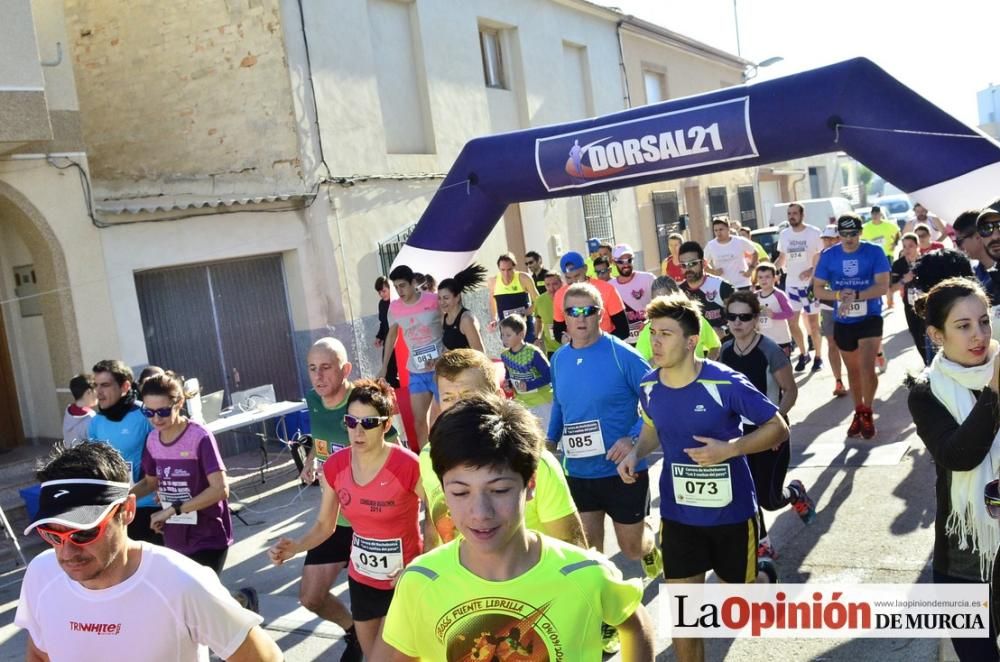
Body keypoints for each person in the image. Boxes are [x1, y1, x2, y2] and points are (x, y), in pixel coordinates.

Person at [375, 396, 654, 661]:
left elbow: (636, 625)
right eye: (460, 493)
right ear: (443, 491)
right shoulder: (420, 580)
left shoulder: (586, 574)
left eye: (499, 490)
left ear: (530, 485)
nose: (481, 513)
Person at [618, 292, 789, 662]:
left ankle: (761, 576)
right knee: (685, 622)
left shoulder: (725, 382)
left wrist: (730, 449)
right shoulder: (649, 386)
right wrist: (635, 452)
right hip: (679, 518)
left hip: (731, 516)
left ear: (692, 340)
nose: (655, 341)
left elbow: (777, 428)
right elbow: (651, 430)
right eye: (652, 332)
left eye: (665, 333)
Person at [15, 442, 281, 661]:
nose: (67, 551)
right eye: (52, 534)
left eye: (84, 531)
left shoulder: (182, 582)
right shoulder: (42, 573)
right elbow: (40, 653)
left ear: (127, 510)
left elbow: (266, 658)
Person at [269, 380, 423, 658]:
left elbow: (442, 515)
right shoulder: (335, 467)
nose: (358, 431)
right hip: (362, 580)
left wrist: (423, 565)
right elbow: (325, 525)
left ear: (386, 426)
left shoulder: (408, 465)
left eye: (369, 423)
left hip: (403, 582)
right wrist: (295, 547)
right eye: (351, 422)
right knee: (370, 653)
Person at [907, 277, 1000, 661]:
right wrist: (995, 391)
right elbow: (959, 455)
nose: (978, 335)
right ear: (936, 334)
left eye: (984, 321)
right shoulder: (926, 391)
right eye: (963, 326)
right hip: (964, 551)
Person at [546, 283, 662, 583]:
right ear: (564, 317)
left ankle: (649, 541)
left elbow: (658, 401)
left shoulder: (623, 355)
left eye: (589, 310)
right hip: (580, 471)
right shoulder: (559, 358)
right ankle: (602, 615)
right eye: (573, 311)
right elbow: (560, 403)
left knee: (631, 548)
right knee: (589, 554)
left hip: (623, 469)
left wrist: (633, 437)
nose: (580, 317)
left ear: (601, 315)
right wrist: (549, 441)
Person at [429, 348, 585, 550]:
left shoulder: (536, 461)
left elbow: (572, 549)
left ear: (498, 396)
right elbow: (433, 520)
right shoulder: (429, 455)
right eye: (448, 397)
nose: (458, 406)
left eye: (468, 395)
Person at [132, 372, 259, 613]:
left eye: (162, 412)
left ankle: (241, 606)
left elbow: (220, 490)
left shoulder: (198, 436)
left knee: (199, 600)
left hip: (208, 532)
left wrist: (173, 509)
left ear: (178, 403)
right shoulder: (152, 440)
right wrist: (122, 500)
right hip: (175, 531)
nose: (156, 419)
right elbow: (150, 482)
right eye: (148, 412)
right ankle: (240, 602)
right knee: (194, 600)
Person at [719, 291, 816, 581]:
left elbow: (790, 390)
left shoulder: (770, 349)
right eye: (732, 316)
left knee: (769, 498)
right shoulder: (725, 351)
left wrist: (775, 427)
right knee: (746, 495)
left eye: (744, 317)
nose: (737, 322)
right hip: (739, 436)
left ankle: (794, 492)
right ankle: (762, 545)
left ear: (756, 318)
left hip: (771, 433)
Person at [293, 338, 366, 661]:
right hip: (333, 519)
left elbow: (397, 454)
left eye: (326, 368)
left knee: (377, 603)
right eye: (312, 369)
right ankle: (354, 632)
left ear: (345, 369)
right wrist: (311, 459)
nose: (318, 376)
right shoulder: (313, 399)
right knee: (310, 597)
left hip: (370, 521)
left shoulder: (363, 403)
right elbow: (321, 437)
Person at [813, 214, 890, 439]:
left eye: (853, 233)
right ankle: (858, 411)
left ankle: (868, 409)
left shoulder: (874, 252)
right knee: (853, 371)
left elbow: (883, 286)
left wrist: (855, 295)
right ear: (838, 234)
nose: (849, 238)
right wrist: (837, 295)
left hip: (870, 317)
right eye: (844, 234)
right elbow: (817, 289)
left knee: (867, 367)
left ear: (860, 232)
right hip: (844, 320)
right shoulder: (829, 255)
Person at [87, 360, 160, 544]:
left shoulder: (145, 414)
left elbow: (163, 457)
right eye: (96, 386)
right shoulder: (96, 422)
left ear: (125, 386)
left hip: (150, 507)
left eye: (105, 385)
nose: (99, 392)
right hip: (116, 509)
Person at [379, 264, 443, 448]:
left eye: (403, 286)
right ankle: (426, 463)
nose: (399, 291)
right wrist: (384, 367)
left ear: (414, 282)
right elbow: (392, 336)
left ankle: (445, 459)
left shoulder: (433, 300)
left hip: (440, 370)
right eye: (396, 287)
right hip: (417, 371)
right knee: (419, 422)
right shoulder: (394, 308)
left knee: (440, 421)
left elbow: (449, 323)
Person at [776, 202, 825, 372]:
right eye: (789, 213)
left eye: (795, 213)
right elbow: (782, 258)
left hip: (810, 286)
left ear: (802, 215)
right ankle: (804, 354)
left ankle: (818, 356)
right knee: (792, 322)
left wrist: (811, 270)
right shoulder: (784, 234)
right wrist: (770, 269)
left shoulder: (814, 233)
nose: (791, 216)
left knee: (813, 323)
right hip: (792, 286)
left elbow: (822, 257)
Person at [635, 276, 722, 362]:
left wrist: (706, 369)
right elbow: (640, 366)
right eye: (657, 301)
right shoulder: (648, 330)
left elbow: (715, 346)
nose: (661, 306)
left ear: (677, 296)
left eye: (666, 300)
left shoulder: (696, 320)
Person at [551, 251, 630, 342]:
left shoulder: (607, 289)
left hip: (605, 349)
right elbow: (558, 331)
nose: (574, 281)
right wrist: (565, 340)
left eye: (577, 276)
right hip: (577, 351)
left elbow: (623, 330)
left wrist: (596, 345)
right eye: (569, 278)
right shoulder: (559, 295)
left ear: (585, 269)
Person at [499, 314, 553, 429]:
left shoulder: (533, 352)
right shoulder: (505, 355)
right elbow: (509, 374)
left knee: (547, 438)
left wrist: (530, 385)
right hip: (522, 403)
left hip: (542, 401)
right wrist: (508, 384)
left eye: (508, 335)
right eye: (502, 334)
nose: (504, 338)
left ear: (521, 334)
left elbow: (549, 375)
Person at [678, 240, 735, 340]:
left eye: (692, 263)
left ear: (703, 263)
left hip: (724, 347)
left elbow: (741, 316)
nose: (688, 269)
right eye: (683, 265)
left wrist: (724, 330)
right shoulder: (678, 293)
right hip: (695, 352)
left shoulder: (722, 286)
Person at [818, 225, 849, 397]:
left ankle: (855, 374)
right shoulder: (821, 256)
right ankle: (838, 381)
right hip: (827, 305)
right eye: (825, 239)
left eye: (831, 238)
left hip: (848, 305)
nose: (827, 242)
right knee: (832, 343)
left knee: (849, 344)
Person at [891, 233, 930, 365]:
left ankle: (932, 362)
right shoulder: (898, 265)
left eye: (911, 246)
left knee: (929, 335)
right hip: (910, 306)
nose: (907, 249)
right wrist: (903, 280)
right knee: (917, 335)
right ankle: (927, 362)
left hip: (927, 304)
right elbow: (890, 288)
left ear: (918, 246)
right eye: (904, 246)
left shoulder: (926, 261)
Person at [610, 243, 656, 346]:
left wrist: (650, 320)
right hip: (625, 344)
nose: (626, 264)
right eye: (621, 261)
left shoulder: (648, 279)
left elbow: (664, 305)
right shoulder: (610, 287)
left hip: (649, 339)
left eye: (629, 260)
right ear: (613, 262)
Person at [487, 253, 539, 343]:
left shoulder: (524, 278)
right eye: (502, 270)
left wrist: (527, 312)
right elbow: (492, 301)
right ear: (499, 269)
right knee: (511, 355)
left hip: (525, 326)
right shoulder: (493, 281)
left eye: (509, 269)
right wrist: (494, 319)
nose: (506, 274)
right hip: (506, 329)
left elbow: (538, 301)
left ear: (514, 267)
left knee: (528, 352)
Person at [438, 263, 487, 352]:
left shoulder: (466, 320)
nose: (442, 302)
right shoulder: (443, 319)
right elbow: (448, 350)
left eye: (446, 298)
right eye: (439, 298)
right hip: (452, 366)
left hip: (470, 365)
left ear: (457, 297)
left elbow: (480, 353)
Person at [703, 217, 759, 290]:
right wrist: (713, 272)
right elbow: (702, 262)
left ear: (728, 229)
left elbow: (755, 252)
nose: (718, 233)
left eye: (721, 229)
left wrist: (750, 269)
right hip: (722, 285)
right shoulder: (711, 245)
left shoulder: (739, 241)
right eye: (715, 230)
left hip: (742, 283)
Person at [753, 262, 795, 357]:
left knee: (783, 368)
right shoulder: (755, 296)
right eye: (760, 277)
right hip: (763, 340)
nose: (764, 280)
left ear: (775, 278)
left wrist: (774, 315)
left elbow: (790, 313)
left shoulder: (779, 295)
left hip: (781, 339)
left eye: (767, 276)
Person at [374, 276, 399, 389]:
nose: (381, 294)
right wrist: (379, 337)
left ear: (390, 289)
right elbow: (383, 323)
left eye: (384, 291)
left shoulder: (397, 302)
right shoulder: (381, 304)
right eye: (379, 292)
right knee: (388, 373)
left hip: (399, 342)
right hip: (388, 343)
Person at [533, 271, 564, 357]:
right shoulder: (540, 300)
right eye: (548, 285)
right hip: (551, 348)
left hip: (570, 345)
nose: (551, 288)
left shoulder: (568, 297)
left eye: (555, 284)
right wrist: (537, 337)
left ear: (562, 283)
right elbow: (538, 320)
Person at [63, 373, 96, 447]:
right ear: (89, 392)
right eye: (96, 390)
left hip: (69, 456)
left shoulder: (68, 411)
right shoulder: (91, 417)